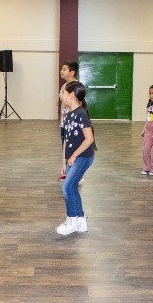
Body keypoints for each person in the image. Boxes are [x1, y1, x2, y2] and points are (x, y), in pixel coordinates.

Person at [56, 81, 95, 235]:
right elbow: (66, 141)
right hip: (72, 158)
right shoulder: (68, 114)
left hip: (83, 157)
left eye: (63, 93)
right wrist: (64, 162)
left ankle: (72, 220)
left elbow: (89, 139)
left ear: (72, 95)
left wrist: (73, 156)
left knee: (67, 188)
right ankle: (80, 221)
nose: (61, 96)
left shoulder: (81, 114)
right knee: (71, 187)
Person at [57, 61, 78, 180]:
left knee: (72, 148)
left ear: (72, 72)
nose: (61, 71)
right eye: (61, 69)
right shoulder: (64, 85)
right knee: (65, 147)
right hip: (64, 123)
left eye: (64, 69)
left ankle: (76, 175)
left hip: (72, 124)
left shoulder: (76, 86)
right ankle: (68, 172)